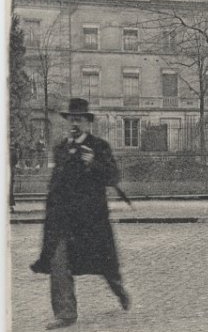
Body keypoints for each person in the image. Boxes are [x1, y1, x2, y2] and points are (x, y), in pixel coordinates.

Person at [30, 98, 130, 330]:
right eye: (71, 119)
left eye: (79, 120)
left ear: (88, 123)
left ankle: (119, 291)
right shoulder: (61, 148)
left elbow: (113, 177)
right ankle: (65, 314)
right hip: (64, 220)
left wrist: (93, 163)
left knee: (106, 264)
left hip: (91, 220)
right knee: (58, 261)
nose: (74, 124)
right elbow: (56, 183)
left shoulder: (99, 146)